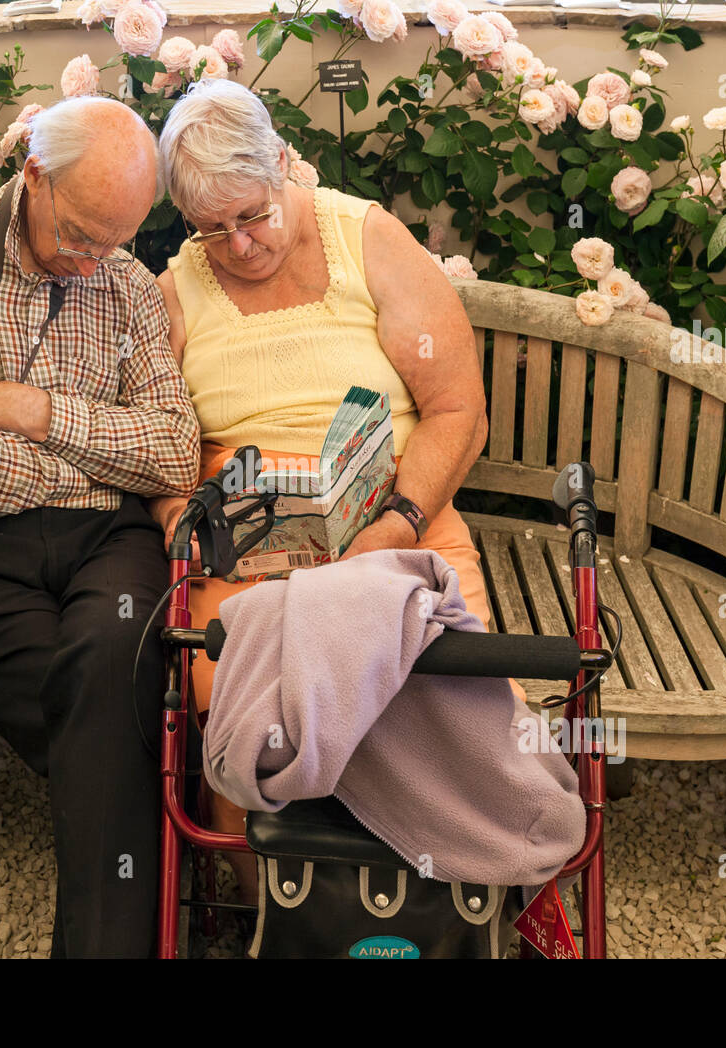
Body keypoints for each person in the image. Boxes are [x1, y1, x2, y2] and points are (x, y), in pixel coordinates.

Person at [147, 79, 526, 903]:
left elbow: (459, 408)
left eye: (253, 216)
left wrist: (398, 522)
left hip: (393, 504)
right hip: (247, 531)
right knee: (237, 676)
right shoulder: (176, 293)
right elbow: (158, 454)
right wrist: (185, 517)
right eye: (212, 229)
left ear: (285, 165)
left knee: (448, 671)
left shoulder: (365, 239)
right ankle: (269, 904)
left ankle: (440, 900)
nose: (239, 246)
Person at [0, 96, 201, 957]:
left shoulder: (127, 285)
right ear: (34, 177)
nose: (95, 261)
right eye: (82, 235)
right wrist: (103, 462)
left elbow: (174, 455)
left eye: (118, 241)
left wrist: (35, 413)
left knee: (115, 652)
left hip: (108, 544)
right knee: (120, 698)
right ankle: (182, 820)